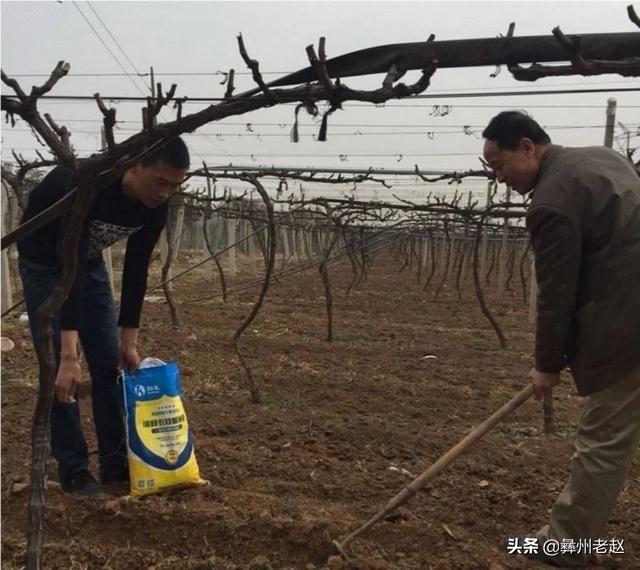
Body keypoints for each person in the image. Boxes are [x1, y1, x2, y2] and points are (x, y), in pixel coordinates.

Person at [482, 111, 640, 567]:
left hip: (629, 327)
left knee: (602, 441)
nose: (499, 178)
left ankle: (565, 546)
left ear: (528, 147)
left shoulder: (550, 201)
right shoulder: (603, 158)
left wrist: (546, 364)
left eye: (499, 165)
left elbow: (557, 292)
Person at [18, 137, 190, 496]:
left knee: (112, 367)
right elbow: (70, 266)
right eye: (159, 181)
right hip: (44, 264)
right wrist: (68, 355)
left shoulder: (154, 206)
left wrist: (129, 342)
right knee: (59, 373)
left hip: (89, 263)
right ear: (134, 165)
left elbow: (136, 269)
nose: (164, 193)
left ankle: (115, 465)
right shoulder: (90, 185)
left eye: (175, 186)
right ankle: (74, 470)